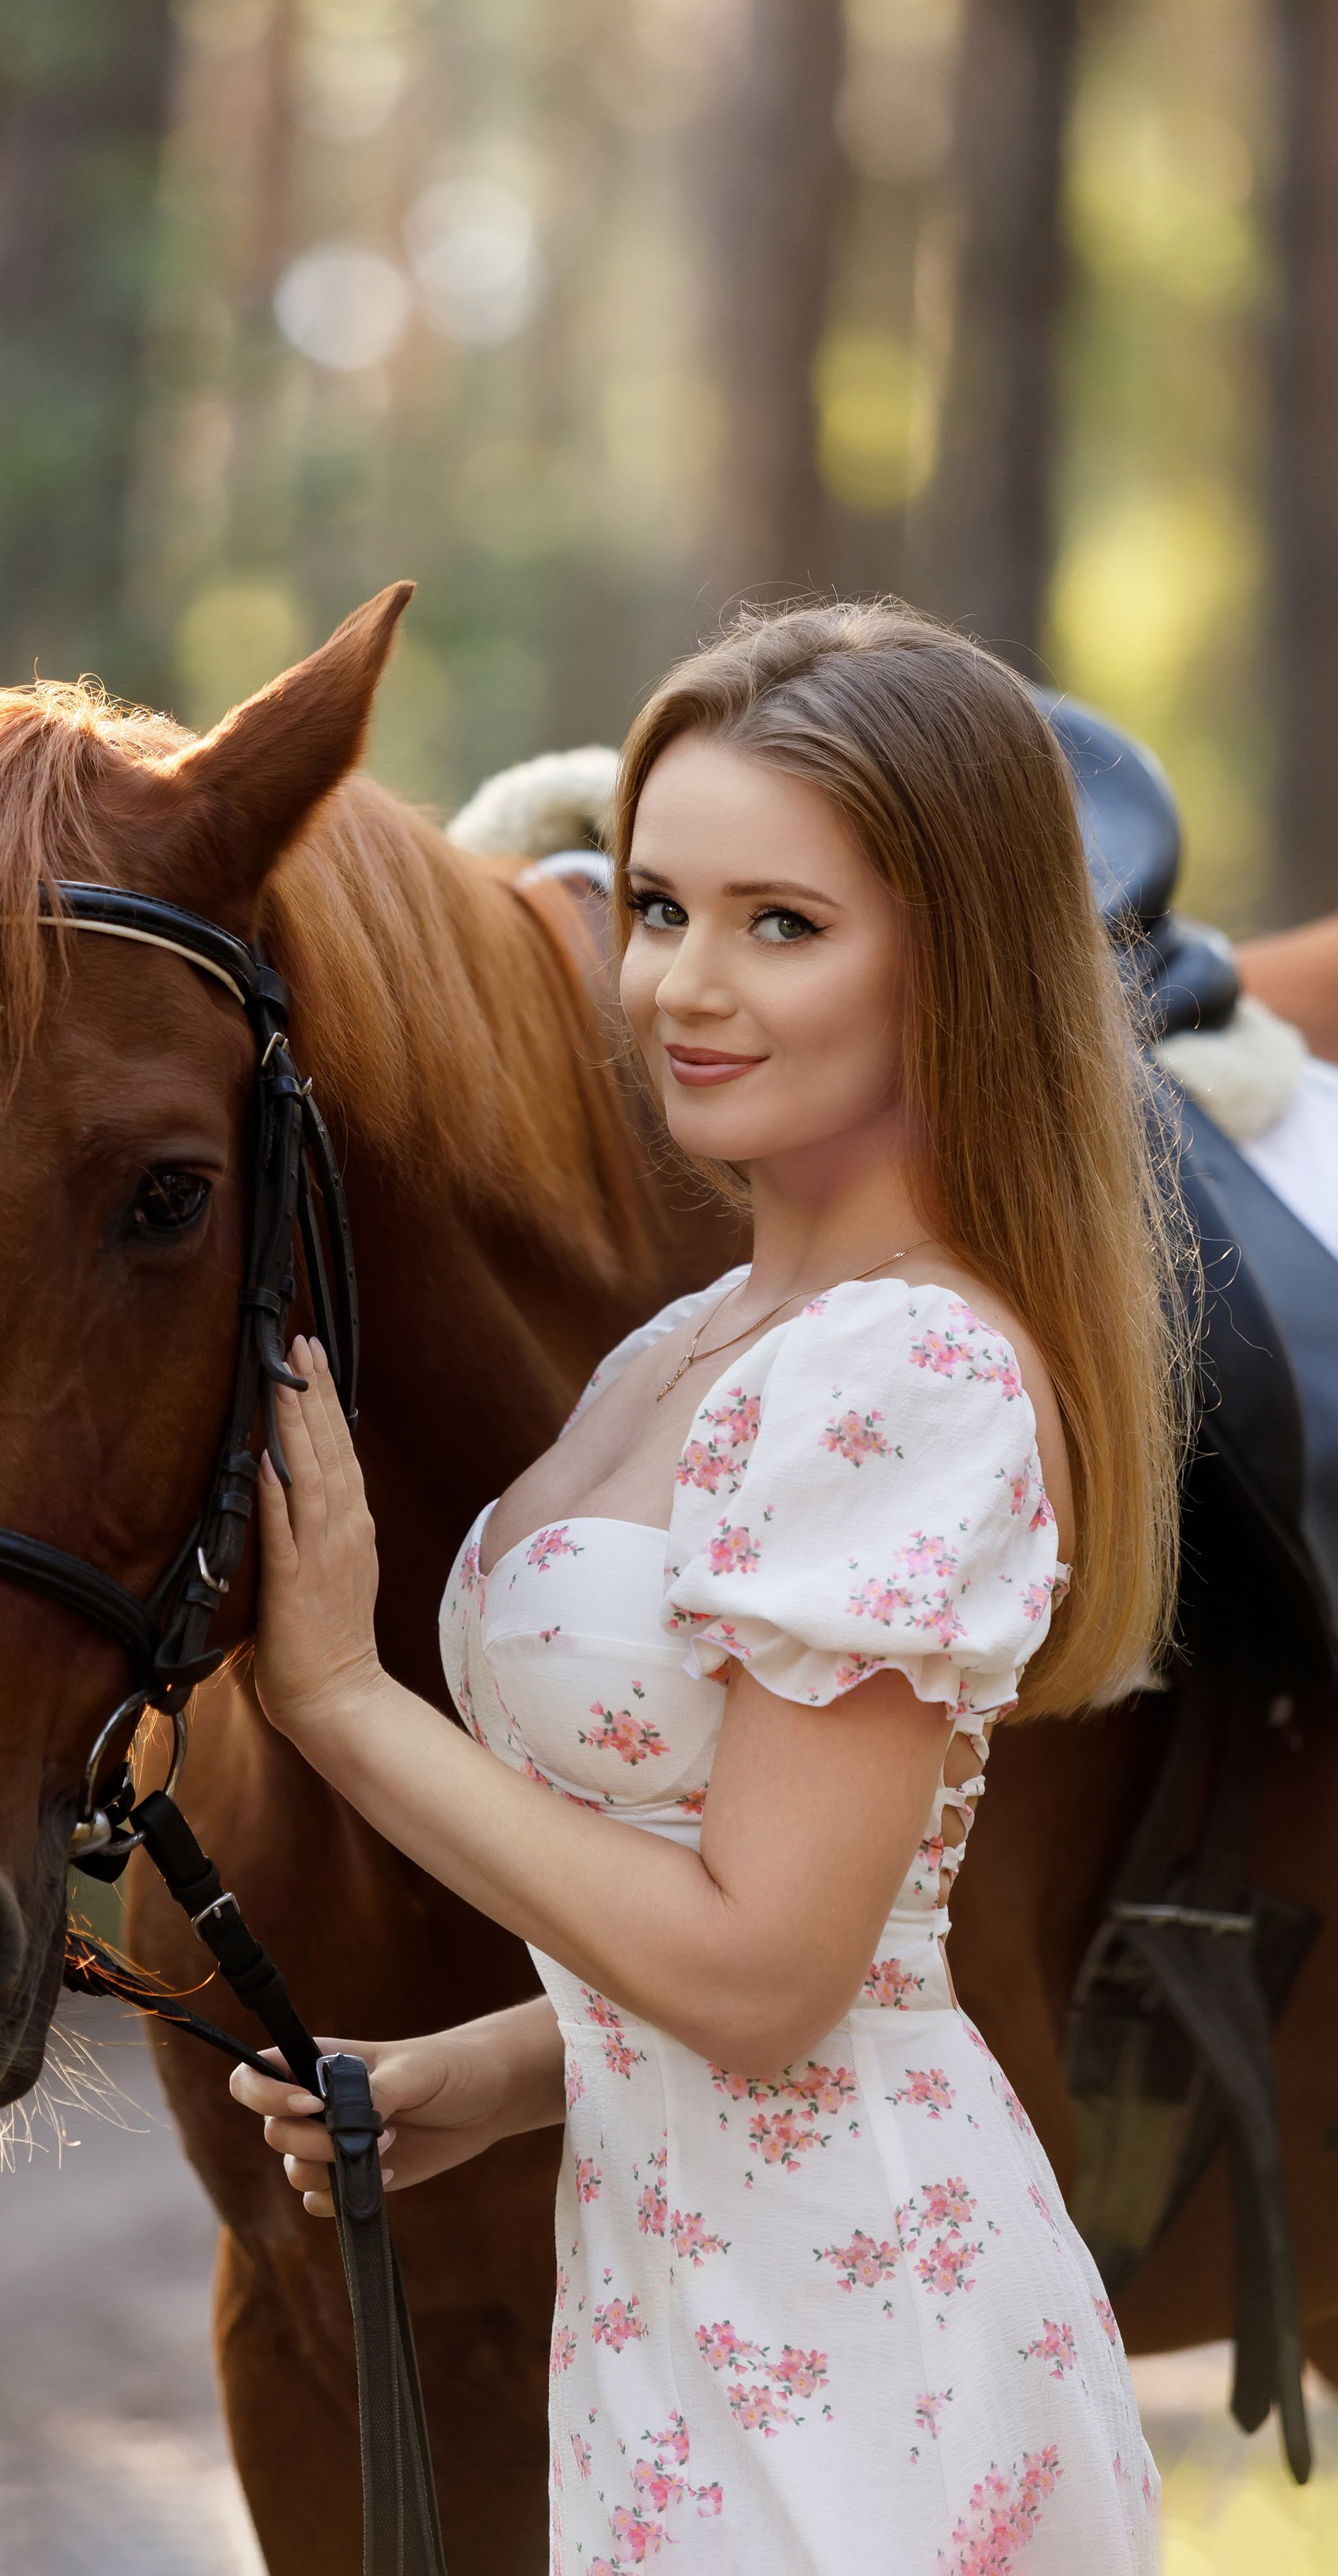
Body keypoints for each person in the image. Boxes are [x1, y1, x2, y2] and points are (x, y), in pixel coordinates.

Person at [230, 601, 1180, 2571]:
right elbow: (781, 1937)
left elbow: (774, 1976)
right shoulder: (695, 1342)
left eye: (784, 924)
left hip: (855, 2358)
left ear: (957, 970)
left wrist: (340, 1701)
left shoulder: (907, 1369)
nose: (684, 985)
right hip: (691, 2316)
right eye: (662, 907)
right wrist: (499, 2071)